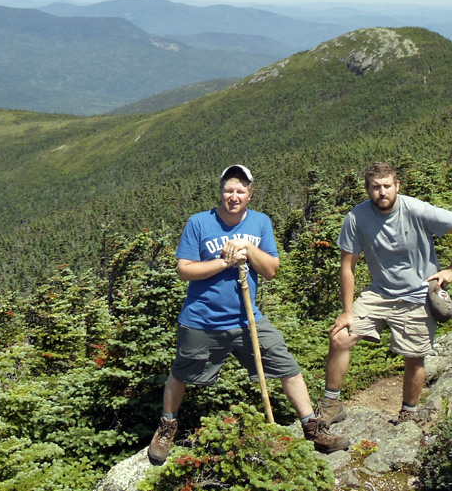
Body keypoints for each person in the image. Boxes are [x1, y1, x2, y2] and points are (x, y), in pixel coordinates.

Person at [148, 164, 348, 463]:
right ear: (221, 192)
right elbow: (184, 270)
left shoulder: (260, 223)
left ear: (250, 194)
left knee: (287, 366)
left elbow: (270, 271)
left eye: (240, 191)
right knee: (180, 375)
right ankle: (167, 427)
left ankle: (311, 426)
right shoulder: (199, 223)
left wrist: (245, 247)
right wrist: (225, 262)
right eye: (229, 190)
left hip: (248, 319)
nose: (234, 196)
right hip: (202, 320)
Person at [315, 162, 452, 425]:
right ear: (367, 189)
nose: (382, 192)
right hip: (380, 293)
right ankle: (332, 403)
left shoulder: (416, 209)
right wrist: (347, 312)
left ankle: (408, 414)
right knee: (340, 338)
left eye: (387, 186)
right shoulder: (356, 218)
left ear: (397, 186)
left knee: (414, 357)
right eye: (376, 187)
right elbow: (348, 267)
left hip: (417, 295)